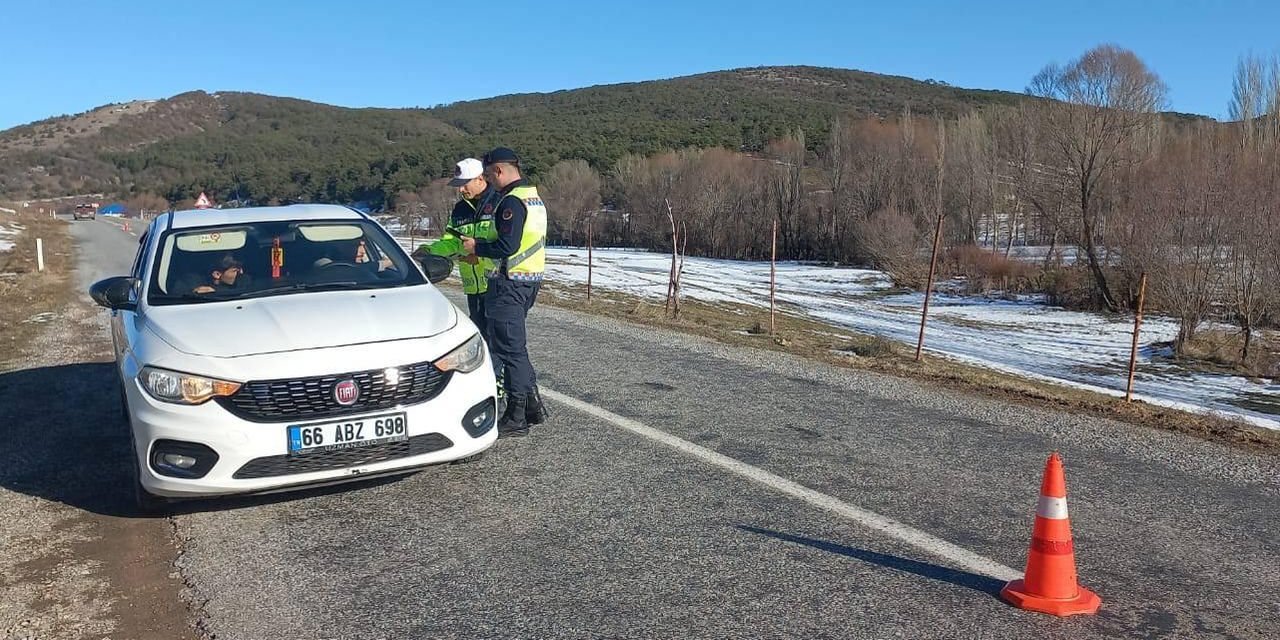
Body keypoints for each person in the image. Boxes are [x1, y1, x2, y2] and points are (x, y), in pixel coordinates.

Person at [461, 147, 548, 437]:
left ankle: (517, 415)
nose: (489, 182)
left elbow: (507, 246)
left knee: (510, 350)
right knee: (513, 348)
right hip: (528, 281)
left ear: (498, 171)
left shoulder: (511, 202)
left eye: (488, 175)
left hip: (509, 283)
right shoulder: (533, 197)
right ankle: (532, 407)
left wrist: (477, 247)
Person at [415, 158, 506, 392]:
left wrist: (480, 254)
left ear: (481, 178)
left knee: (499, 342)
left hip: (495, 284)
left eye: (465, 183)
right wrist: (427, 252)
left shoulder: (500, 203)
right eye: (458, 184)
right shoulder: (460, 209)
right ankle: (488, 385)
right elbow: (451, 243)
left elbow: (505, 244)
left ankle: (501, 390)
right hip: (472, 288)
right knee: (481, 340)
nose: (461, 189)